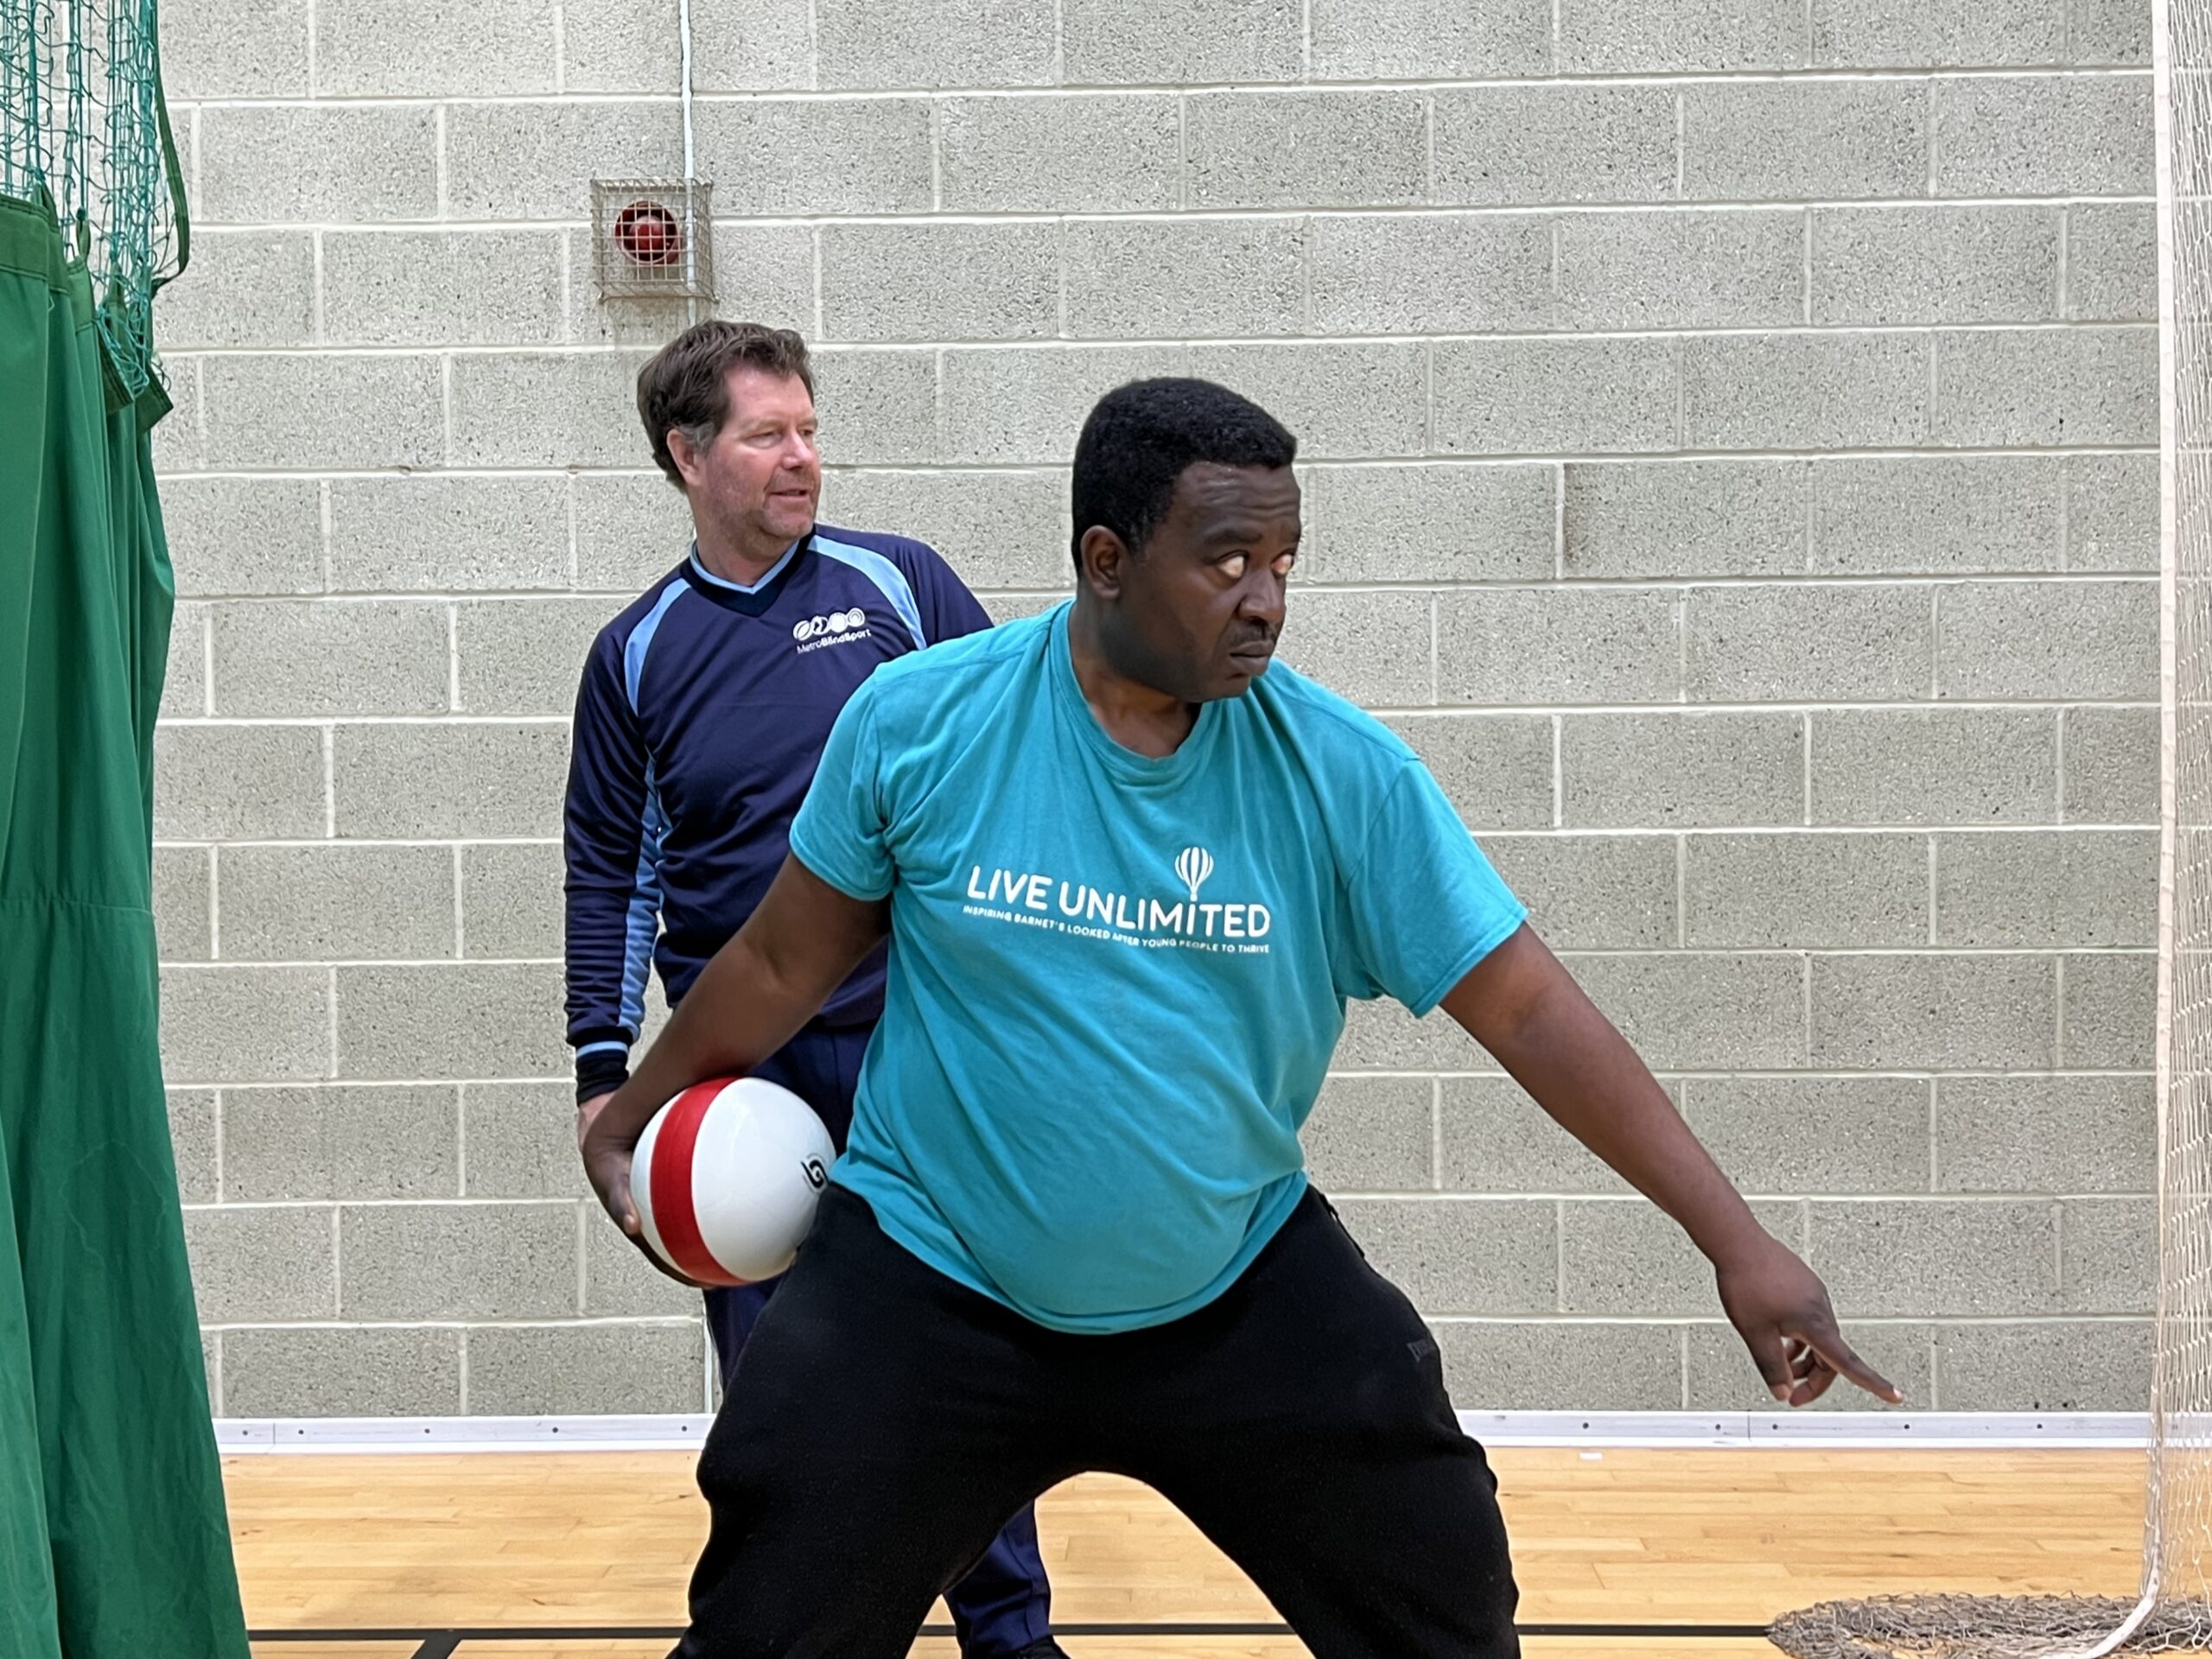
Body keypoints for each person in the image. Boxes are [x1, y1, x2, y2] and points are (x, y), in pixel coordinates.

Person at [582, 378, 1903, 1659]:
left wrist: (1735, 1240)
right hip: (932, 1276)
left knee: (1445, 1596)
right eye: (1226, 560)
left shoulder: (1343, 775)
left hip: (1230, 1282)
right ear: (1107, 559)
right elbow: (776, 961)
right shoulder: (925, 721)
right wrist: (628, 1115)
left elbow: (1532, 1007)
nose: (1265, 599)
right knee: (765, 1615)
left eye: (1284, 559)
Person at [562, 320, 1065, 1659]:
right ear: (688, 456)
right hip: (743, 1084)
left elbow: (1027, 768)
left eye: (809, 429)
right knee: (792, 1402)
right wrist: (603, 1076)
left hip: (926, 1059)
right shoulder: (637, 655)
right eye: (768, 434)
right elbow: (609, 876)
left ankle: (1012, 1639)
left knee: (965, 1368)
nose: (804, 458)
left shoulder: (902, 587)